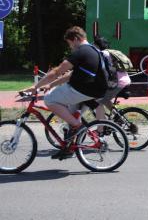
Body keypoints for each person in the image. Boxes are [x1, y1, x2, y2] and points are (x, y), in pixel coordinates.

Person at [20, 26, 108, 159]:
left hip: (84, 90)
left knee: (50, 99)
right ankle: (69, 148)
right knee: (71, 115)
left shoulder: (81, 52)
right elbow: (70, 75)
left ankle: (77, 126)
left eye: (70, 43)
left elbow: (57, 71)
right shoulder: (93, 50)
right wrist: (50, 84)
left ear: (76, 39)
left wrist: (35, 87)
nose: (70, 47)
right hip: (94, 91)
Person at [93, 36, 131, 121]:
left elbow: (97, 69)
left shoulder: (102, 54)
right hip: (125, 81)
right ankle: (118, 117)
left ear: (97, 46)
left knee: (97, 102)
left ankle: (101, 127)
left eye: (93, 45)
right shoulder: (111, 52)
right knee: (105, 99)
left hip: (117, 83)